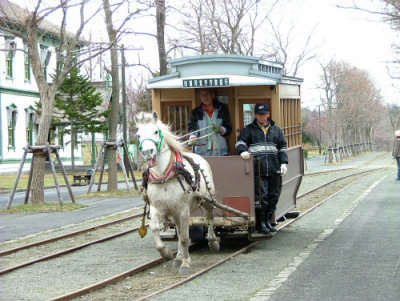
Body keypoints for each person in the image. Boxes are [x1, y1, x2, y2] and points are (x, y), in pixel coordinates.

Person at [235, 103, 288, 235]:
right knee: (261, 197)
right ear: (255, 115)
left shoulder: (276, 130)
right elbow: (240, 142)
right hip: (258, 170)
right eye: (259, 115)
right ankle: (261, 223)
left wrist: (284, 163)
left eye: (263, 114)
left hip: (274, 169)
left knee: (273, 196)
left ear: (268, 114)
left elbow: (282, 147)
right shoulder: (248, 130)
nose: (261, 117)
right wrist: (242, 151)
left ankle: (268, 221)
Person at [187, 88, 232, 156]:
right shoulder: (195, 113)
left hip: (220, 152)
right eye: (202, 95)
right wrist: (192, 137)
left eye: (207, 94)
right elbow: (192, 129)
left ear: (213, 95)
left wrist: (221, 129)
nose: (205, 97)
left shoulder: (222, 110)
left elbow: (228, 129)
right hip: (201, 152)